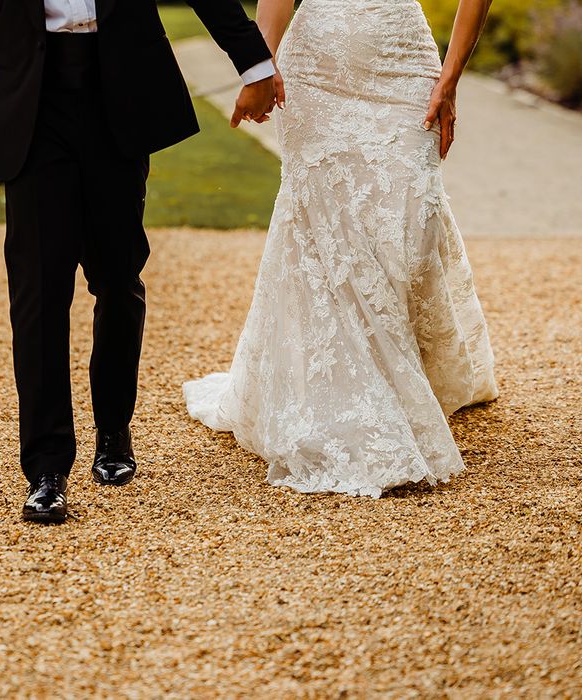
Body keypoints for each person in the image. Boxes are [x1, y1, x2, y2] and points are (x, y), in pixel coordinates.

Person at [0, 0, 277, 523]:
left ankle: (114, 429)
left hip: (117, 98)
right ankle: (46, 470)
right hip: (33, 107)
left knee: (118, 279)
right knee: (37, 295)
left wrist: (254, 64)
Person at [184, 0, 500, 497]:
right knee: (326, 234)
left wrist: (451, 77)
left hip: (404, 63)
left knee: (410, 230)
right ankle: (349, 399)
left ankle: (410, 373)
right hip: (316, 70)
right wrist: (261, 66)